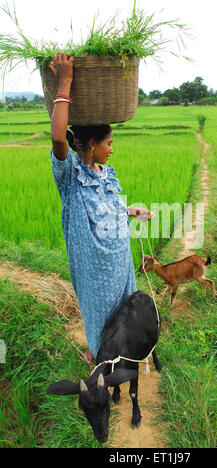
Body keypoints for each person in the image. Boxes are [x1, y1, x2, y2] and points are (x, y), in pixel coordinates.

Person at [49, 53, 153, 363]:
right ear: (92, 144)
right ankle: (100, 356)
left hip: (119, 258)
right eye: (109, 143)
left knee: (124, 307)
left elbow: (108, 208)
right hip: (93, 268)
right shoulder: (71, 177)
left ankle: (125, 351)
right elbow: (57, 137)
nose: (112, 149)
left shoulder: (105, 173)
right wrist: (65, 82)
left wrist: (130, 211)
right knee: (99, 310)